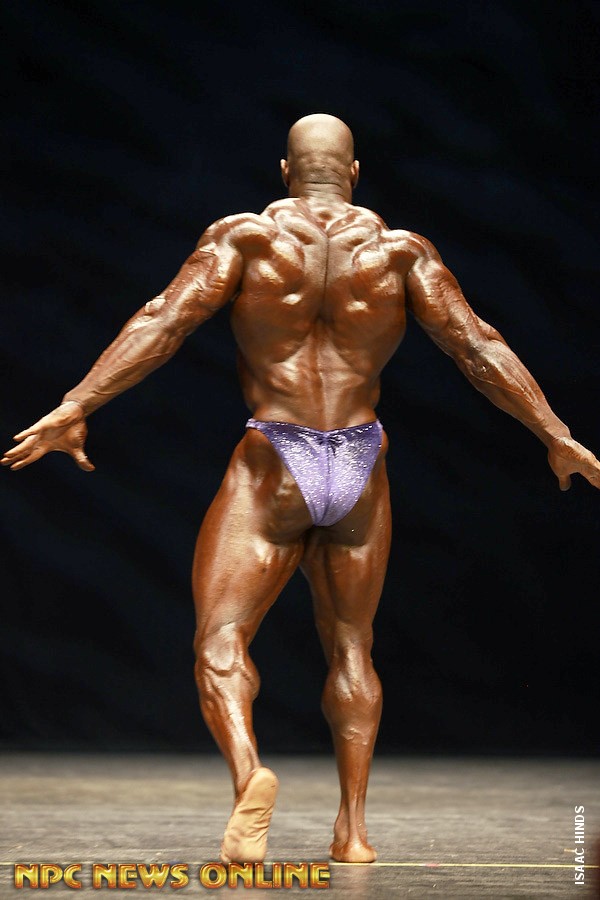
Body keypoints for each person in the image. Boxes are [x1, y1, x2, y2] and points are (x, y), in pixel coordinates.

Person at [3, 114, 599, 865]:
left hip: (276, 457)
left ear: (286, 171)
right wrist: (553, 432)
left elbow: (163, 321)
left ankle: (250, 777)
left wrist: (78, 403)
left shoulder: (248, 239)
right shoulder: (400, 252)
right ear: (355, 174)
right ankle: (352, 832)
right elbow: (477, 345)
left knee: (221, 640)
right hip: (360, 458)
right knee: (352, 647)